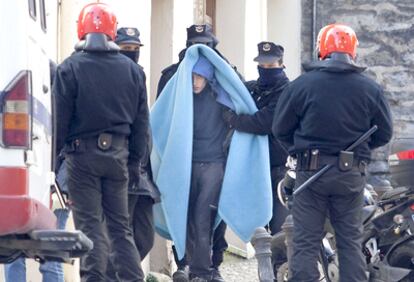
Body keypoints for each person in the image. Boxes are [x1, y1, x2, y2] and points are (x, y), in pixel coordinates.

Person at [272, 24, 393, 282]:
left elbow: (280, 129)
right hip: (350, 175)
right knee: (349, 242)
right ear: (353, 51)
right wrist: (357, 153)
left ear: (321, 49)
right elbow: (384, 133)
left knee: (305, 242)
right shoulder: (370, 89)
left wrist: (300, 151)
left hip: (311, 172)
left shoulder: (302, 85)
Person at [54, 3, 149, 281]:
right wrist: (134, 164)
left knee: (90, 226)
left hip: (81, 157)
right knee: (121, 228)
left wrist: (53, 166)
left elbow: (60, 123)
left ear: (82, 29)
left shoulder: (69, 68)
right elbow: (141, 124)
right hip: (118, 156)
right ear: (112, 31)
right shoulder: (132, 71)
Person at [156, 24, 229, 282]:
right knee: (181, 213)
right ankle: (185, 264)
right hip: (181, 161)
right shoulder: (172, 77)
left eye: (206, 45)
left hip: (213, 160)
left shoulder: (226, 76)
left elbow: (240, 113)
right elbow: (161, 117)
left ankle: (210, 266)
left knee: (209, 217)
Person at [4, 60, 70, 282]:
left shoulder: (20, 107)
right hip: (58, 185)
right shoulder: (63, 105)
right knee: (51, 253)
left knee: (13, 251)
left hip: (34, 184)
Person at [105, 27, 161, 282]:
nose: (132, 54)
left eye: (135, 50)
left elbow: (143, 122)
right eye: (126, 49)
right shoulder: (106, 74)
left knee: (144, 236)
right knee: (119, 231)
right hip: (119, 161)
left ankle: (118, 273)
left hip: (139, 166)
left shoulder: (139, 74)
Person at [223, 41, 290, 236]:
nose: (266, 69)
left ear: (281, 65)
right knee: (260, 227)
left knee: (280, 226)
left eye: (271, 66)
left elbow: (263, 123)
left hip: (279, 168)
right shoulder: (253, 89)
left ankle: (281, 266)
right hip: (254, 167)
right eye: (263, 66)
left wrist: (234, 120)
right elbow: (232, 96)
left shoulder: (287, 92)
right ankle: (266, 266)